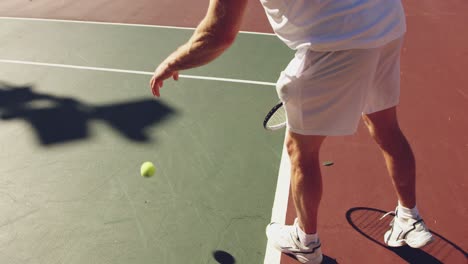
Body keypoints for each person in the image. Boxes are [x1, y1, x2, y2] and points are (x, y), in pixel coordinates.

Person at [150, 0, 434, 263]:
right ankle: (410, 218)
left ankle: (306, 241)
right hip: (385, 21)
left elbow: (218, 34)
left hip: (337, 42)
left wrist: (173, 61)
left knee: (302, 152)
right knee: (386, 127)